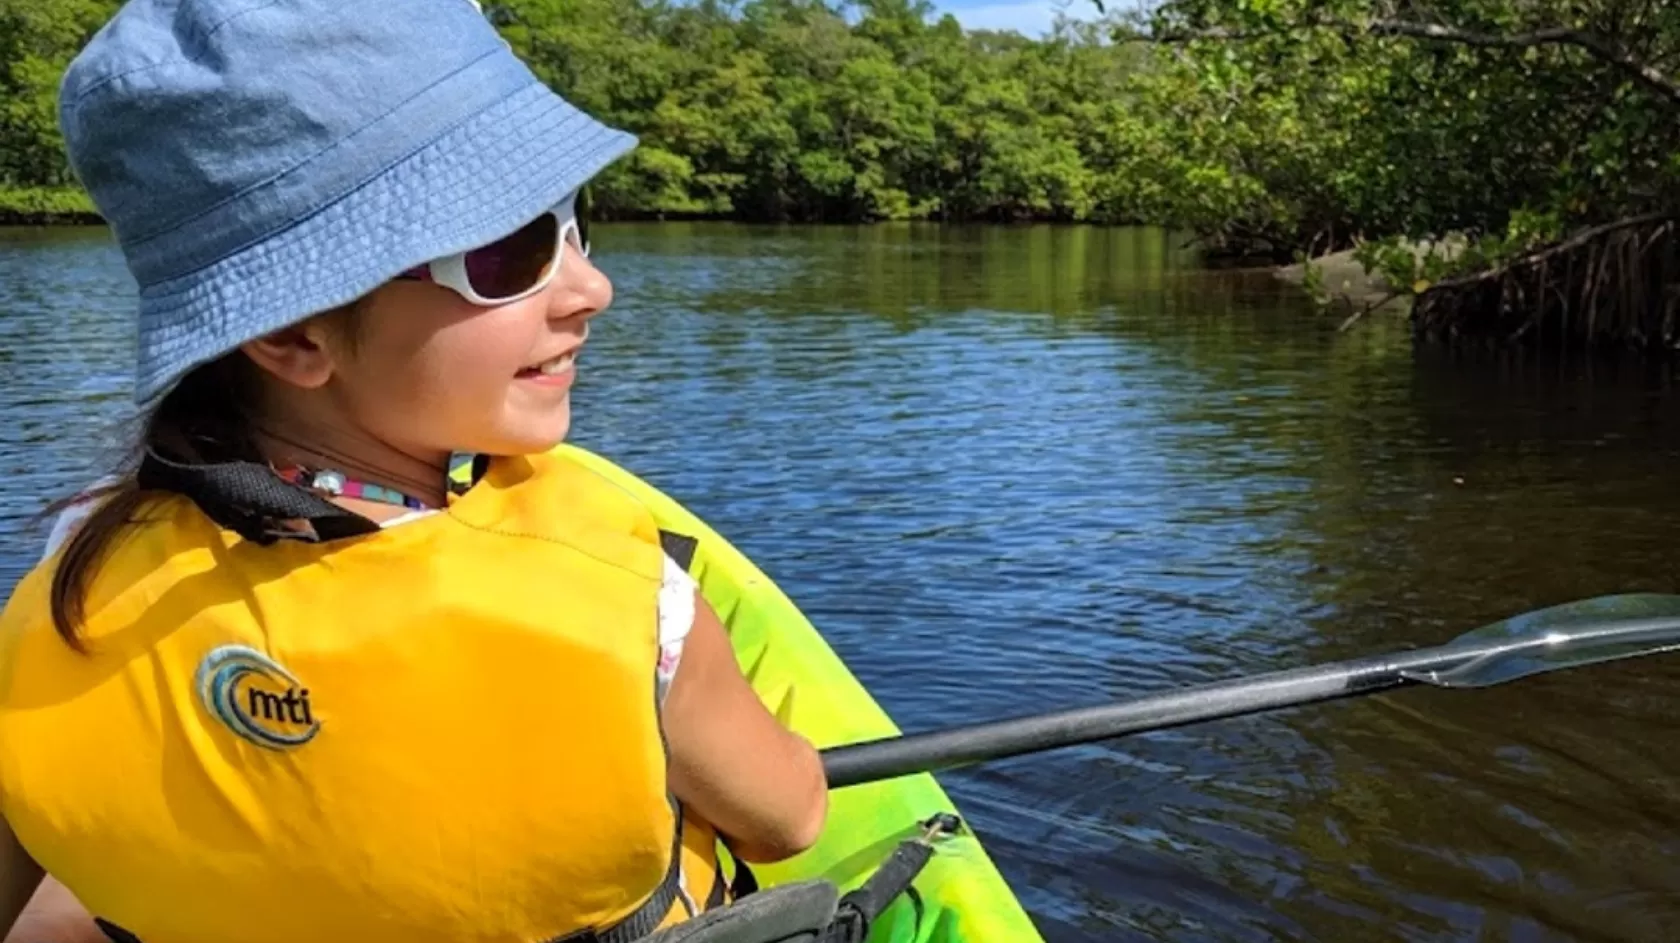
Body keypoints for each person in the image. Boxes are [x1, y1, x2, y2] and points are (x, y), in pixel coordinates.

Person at [0, 0, 829, 941]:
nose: (591, 288)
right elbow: (792, 814)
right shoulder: (628, 594)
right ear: (289, 333)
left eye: (572, 222)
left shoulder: (75, 584)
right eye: (506, 253)